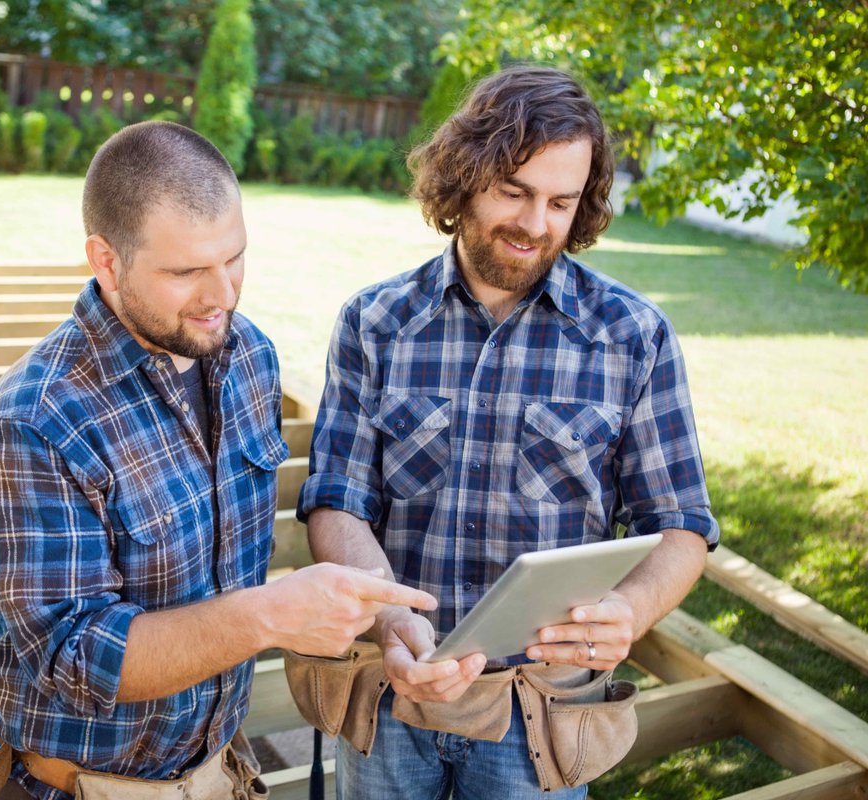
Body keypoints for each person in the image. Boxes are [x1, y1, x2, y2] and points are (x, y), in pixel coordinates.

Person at [0, 121, 435, 800]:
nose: (223, 295)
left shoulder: (247, 356)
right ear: (107, 261)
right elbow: (76, 660)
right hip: (78, 786)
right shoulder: (31, 426)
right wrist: (267, 616)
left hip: (216, 774)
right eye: (185, 272)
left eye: (233, 258)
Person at [299, 66, 720, 799]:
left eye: (562, 202)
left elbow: (680, 524)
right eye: (514, 192)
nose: (536, 224)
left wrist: (630, 611)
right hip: (397, 693)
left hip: (542, 711)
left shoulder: (633, 337)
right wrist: (390, 615)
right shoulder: (376, 323)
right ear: (462, 178)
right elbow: (338, 500)